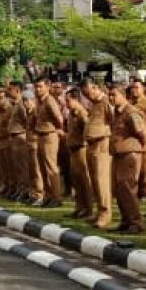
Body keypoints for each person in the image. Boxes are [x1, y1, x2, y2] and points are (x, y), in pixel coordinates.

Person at [109, 84, 146, 233]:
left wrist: (143, 148)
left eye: (114, 95)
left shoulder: (131, 112)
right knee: (119, 189)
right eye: (110, 95)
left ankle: (135, 222)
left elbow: (141, 133)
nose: (111, 98)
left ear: (123, 95)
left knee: (128, 188)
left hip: (129, 154)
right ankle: (126, 220)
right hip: (119, 154)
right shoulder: (117, 113)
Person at [81, 79, 115, 228]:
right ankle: (99, 210)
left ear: (95, 88)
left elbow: (114, 122)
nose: (87, 96)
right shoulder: (93, 104)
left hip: (102, 144)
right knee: (94, 180)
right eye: (84, 94)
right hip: (91, 145)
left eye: (88, 93)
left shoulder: (106, 103)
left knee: (102, 181)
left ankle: (105, 213)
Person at [31, 79, 64, 206]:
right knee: (42, 168)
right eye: (36, 87)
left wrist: (54, 129)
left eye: (40, 86)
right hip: (40, 135)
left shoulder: (50, 101)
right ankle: (48, 195)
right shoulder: (40, 102)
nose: (37, 89)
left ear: (47, 87)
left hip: (49, 136)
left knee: (51, 167)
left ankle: (56, 197)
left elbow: (59, 119)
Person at [63, 89, 93, 219]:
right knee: (76, 180)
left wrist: (84, 142)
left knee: (84, 180)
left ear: (76, 99)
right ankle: (79, 206)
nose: (66, 103)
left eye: (68, 100)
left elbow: (87, 129)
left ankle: (87, 208)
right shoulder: (71, 113)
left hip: (81, 149)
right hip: (73, 149)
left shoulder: (82, 114)